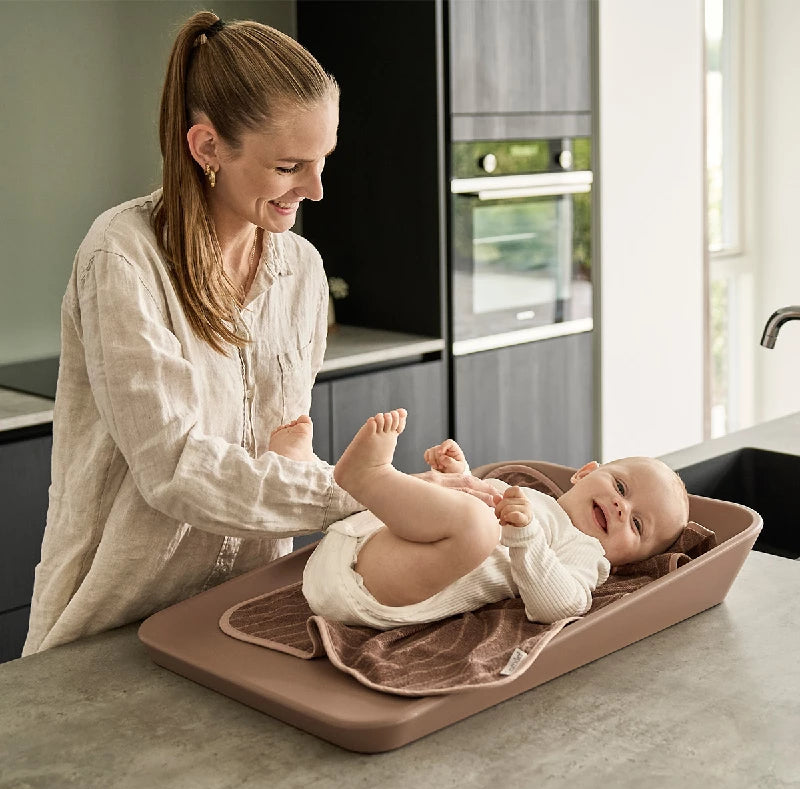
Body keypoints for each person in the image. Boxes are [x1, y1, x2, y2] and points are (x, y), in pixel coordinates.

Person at [23, 13, 495, 655]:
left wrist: (405, 498)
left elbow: (281, 453)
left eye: (323, 161)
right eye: (290, 166)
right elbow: (176, 470)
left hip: (240, 615)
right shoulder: (124, 258)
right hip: (112, 627)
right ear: (207, 147)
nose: (317, 190)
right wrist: (363, 491)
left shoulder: (300, 268)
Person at [269, 409, 690, 629]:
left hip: (375, 590)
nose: (621, 508)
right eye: (620, 488)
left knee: (479, 528)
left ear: (626, 562)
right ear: (584, 473)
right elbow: (460, 508)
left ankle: (368, 475)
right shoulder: (534, 497)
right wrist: (462, 477)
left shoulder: (588, 557)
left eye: (637, 525)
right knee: (444, 488)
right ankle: (301, 470)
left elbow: (561, 606)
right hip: (356, 543)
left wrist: (525, 540)